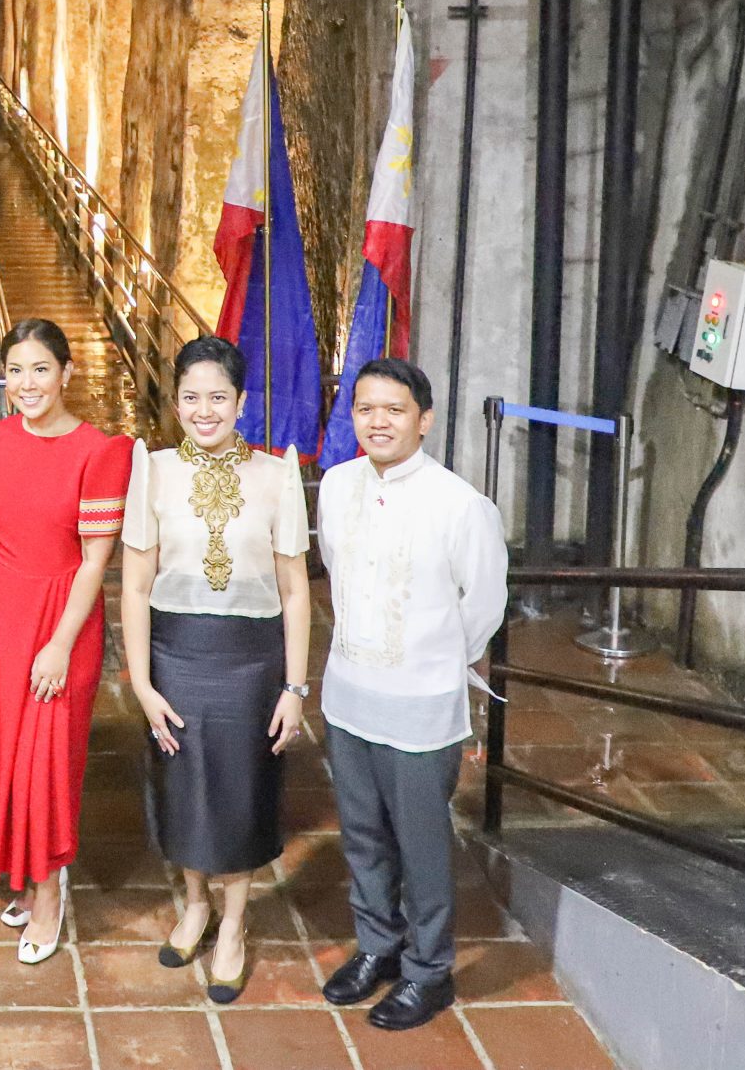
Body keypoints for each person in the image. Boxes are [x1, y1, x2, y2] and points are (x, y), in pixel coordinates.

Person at [315, 357, 508, 1031]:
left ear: (423, 419)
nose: (377, 420)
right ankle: (378, 947)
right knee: (363, 836)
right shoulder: (336, 485)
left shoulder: (461, 504)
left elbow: (483, 607)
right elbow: (337, 572)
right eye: (365, 407)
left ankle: (429, 971)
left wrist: (428, 659)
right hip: (349, 696)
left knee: (422, 846)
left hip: (422, 706)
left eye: (393, 408)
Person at [121, 334, 314, 1005]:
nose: (205, 410)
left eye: (218, 397)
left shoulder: (276, 473)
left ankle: (233, 923)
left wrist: (295, 684)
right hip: (176, 655)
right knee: (182, 790)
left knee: (242, 792)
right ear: (176, 400)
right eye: (192, 397)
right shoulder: (152, 468)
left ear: (241, 401)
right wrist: (142, 681)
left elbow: (295, 588)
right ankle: (194, 903)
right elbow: (135, 584)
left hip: (251, 662)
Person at [0, 319, 130, 964]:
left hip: (60, 617)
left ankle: (50, 895)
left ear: (67, 373)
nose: (27, 384)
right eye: (16, 370)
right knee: (2, 755)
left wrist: (59, 643)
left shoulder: (97, 450)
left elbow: (93, 561)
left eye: (41, 370)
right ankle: (25, 880)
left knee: (46, 763)